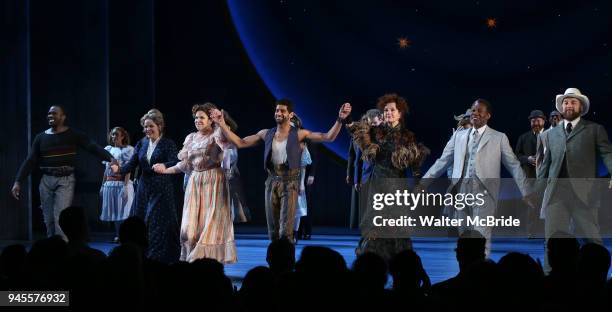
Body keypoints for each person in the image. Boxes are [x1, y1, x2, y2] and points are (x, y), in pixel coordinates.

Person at [211, 99, 352, 242]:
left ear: (290, 115)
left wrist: (340, 119)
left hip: (290, 182)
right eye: (277, 110)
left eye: (282, 111)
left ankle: (286, 257)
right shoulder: (266, 134)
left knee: (286, 229)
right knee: (273, 229)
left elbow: (328, 137)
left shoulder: (299, 134)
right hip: (271, 182)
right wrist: (222, 123)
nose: (278, 113)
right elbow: (240, 143)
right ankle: (275, 259)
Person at [420, 99, 530, 255]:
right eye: (473, 110)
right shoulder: (459, 136)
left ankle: (481, 274)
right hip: (461, 191)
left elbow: (513, 165)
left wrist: (526, 191)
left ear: (488, 115)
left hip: (485, 192)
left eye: (479, 111)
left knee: (481, 236)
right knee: (464, 238)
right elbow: (442, 162)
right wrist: (423, 183)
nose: (475, 113)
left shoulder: (498, 137)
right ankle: (466, 273)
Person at [536, 88, 612, 272]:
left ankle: (598, 278)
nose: (569, 105)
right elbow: (545, 166)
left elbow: (607, 154)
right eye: (566, 102)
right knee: (553, 241)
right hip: (556, 196)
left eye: (573, 102)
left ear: (581, 106)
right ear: (562, 107)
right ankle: (550, 282)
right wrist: (536, 191)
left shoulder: (594, 129)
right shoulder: (548, 135)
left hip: (584, 195)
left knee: (592, 239)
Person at [347, 93, 428, 261]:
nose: (388, 112)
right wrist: (346, 119)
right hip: (377, 188)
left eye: (392, 110)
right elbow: (358, 134)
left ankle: (402, 277)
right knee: (373, 231)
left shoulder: (407, 136)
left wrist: (418, 184)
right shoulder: (375, 132)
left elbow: (415, 165)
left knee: (398, 233)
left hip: (396, 189)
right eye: (385, 110)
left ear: (400, 113)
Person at [12, 105, 114, 238]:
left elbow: (92, 146)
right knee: (48, 220)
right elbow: (30, 160)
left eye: (54, 113)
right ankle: (53, 249)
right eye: (49, 113)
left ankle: (62, 251)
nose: (50, 116)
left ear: (63, 117)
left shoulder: (73, 134)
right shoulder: (40, 137)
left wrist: (111, 158)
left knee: (60, 217)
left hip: (65, 180)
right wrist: (18, 181)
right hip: (46, 180)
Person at [154, 103, 237, 263]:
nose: (198, 120)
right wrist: (166, 170)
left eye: (202, 117)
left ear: (210, 120)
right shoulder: (191, 138)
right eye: (196, 117)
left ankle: (209, 265)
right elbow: (185, 165)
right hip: (195, 182)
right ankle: (191, 262)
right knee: (188, 230)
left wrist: (222, 123)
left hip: (214, 182)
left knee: (210, 226)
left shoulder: (217, 134)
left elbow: (230, 148)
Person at [111, 109, 180, 263]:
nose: (147, 130)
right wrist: (119, 170)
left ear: (160, 126)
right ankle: (144, 255)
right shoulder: (141, 143)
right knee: (142, 221)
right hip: (144, 187)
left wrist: (164, 164)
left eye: (151, 126)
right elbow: (132, 163)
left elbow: (176, 162)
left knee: (157, 222)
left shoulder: (168, 143)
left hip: (161, 187)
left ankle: (158, 257)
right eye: (145, 127)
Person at [347, 109, 382, 229]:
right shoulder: (360, 134)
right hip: (366, 175)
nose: (373, 126)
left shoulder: (385, 134)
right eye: (371, 123)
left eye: (375, 124)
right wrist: (356, 179)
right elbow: (356, 159)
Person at [100, 127, 135, 243]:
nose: (114, 137)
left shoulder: (128, 150)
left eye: (116, 134)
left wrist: (125, 186)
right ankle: (119, 235)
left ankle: (127, 235)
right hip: (110, 184)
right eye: (113, 134)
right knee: (115, 212)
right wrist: (102, 185)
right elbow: (106, 169)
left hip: (121, 183)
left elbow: (128, 170)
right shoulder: (108, 149)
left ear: (122, 136)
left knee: (124, 212)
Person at [515, 110, 545, 237]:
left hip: (547, 176)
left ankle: (548, 232)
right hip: (530, 177)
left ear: (544, 121)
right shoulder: (523, 137)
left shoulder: (551, 135)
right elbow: (516, 156)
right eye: (533, 121)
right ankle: (531, 232)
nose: (536, 123)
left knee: (548, 204)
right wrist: (527, 159)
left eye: (538, 120)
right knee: (531, 205)